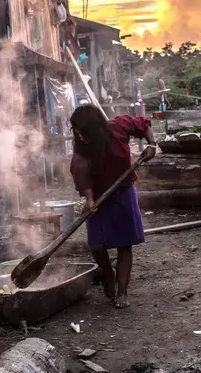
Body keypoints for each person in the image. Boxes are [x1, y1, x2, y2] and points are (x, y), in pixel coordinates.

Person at [69, 105, 156, 308]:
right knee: (96, 244)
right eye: (78, 132)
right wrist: (89, 198)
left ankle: (122, 291)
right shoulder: (81, 146)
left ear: (97, 127)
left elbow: (143, 125)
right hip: (99, 195)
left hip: (123, 190)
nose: (81, 136)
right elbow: (80, 172)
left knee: (124, 243)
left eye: (84, 131)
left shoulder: (118, 127)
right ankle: (108, 273)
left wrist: (152, 144)